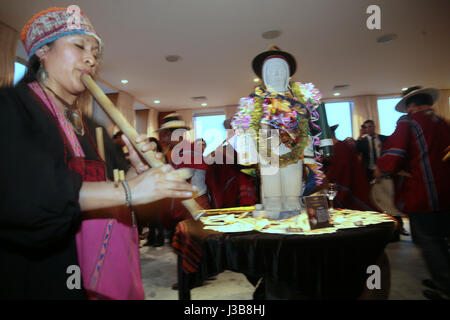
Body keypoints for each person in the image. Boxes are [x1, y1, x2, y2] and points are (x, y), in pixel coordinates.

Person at [0, 7, 195, 300]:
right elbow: (24, 195)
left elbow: (111, 189)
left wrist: (138, 171)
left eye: (95, 52)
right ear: (42, 50)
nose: (91, 58)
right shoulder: (11, 108)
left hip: (95, 269)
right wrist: (128, 190)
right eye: (79, 46)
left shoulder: (93, 127)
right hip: (39, 271)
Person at [374, 86, 450, 300]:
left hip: (424, 193)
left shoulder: (408, 122)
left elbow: (395, 153)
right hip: (447, 193)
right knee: (443, 239)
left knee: (429, 240)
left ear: (410, 106)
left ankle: (445, 287)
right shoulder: (443, 122)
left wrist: (381, 168)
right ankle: (442, 278)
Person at [324, 125, 375, 211]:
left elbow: (340, 177)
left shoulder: (340, 149)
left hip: (352, 197)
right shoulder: (339, 147)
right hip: (354, 190)